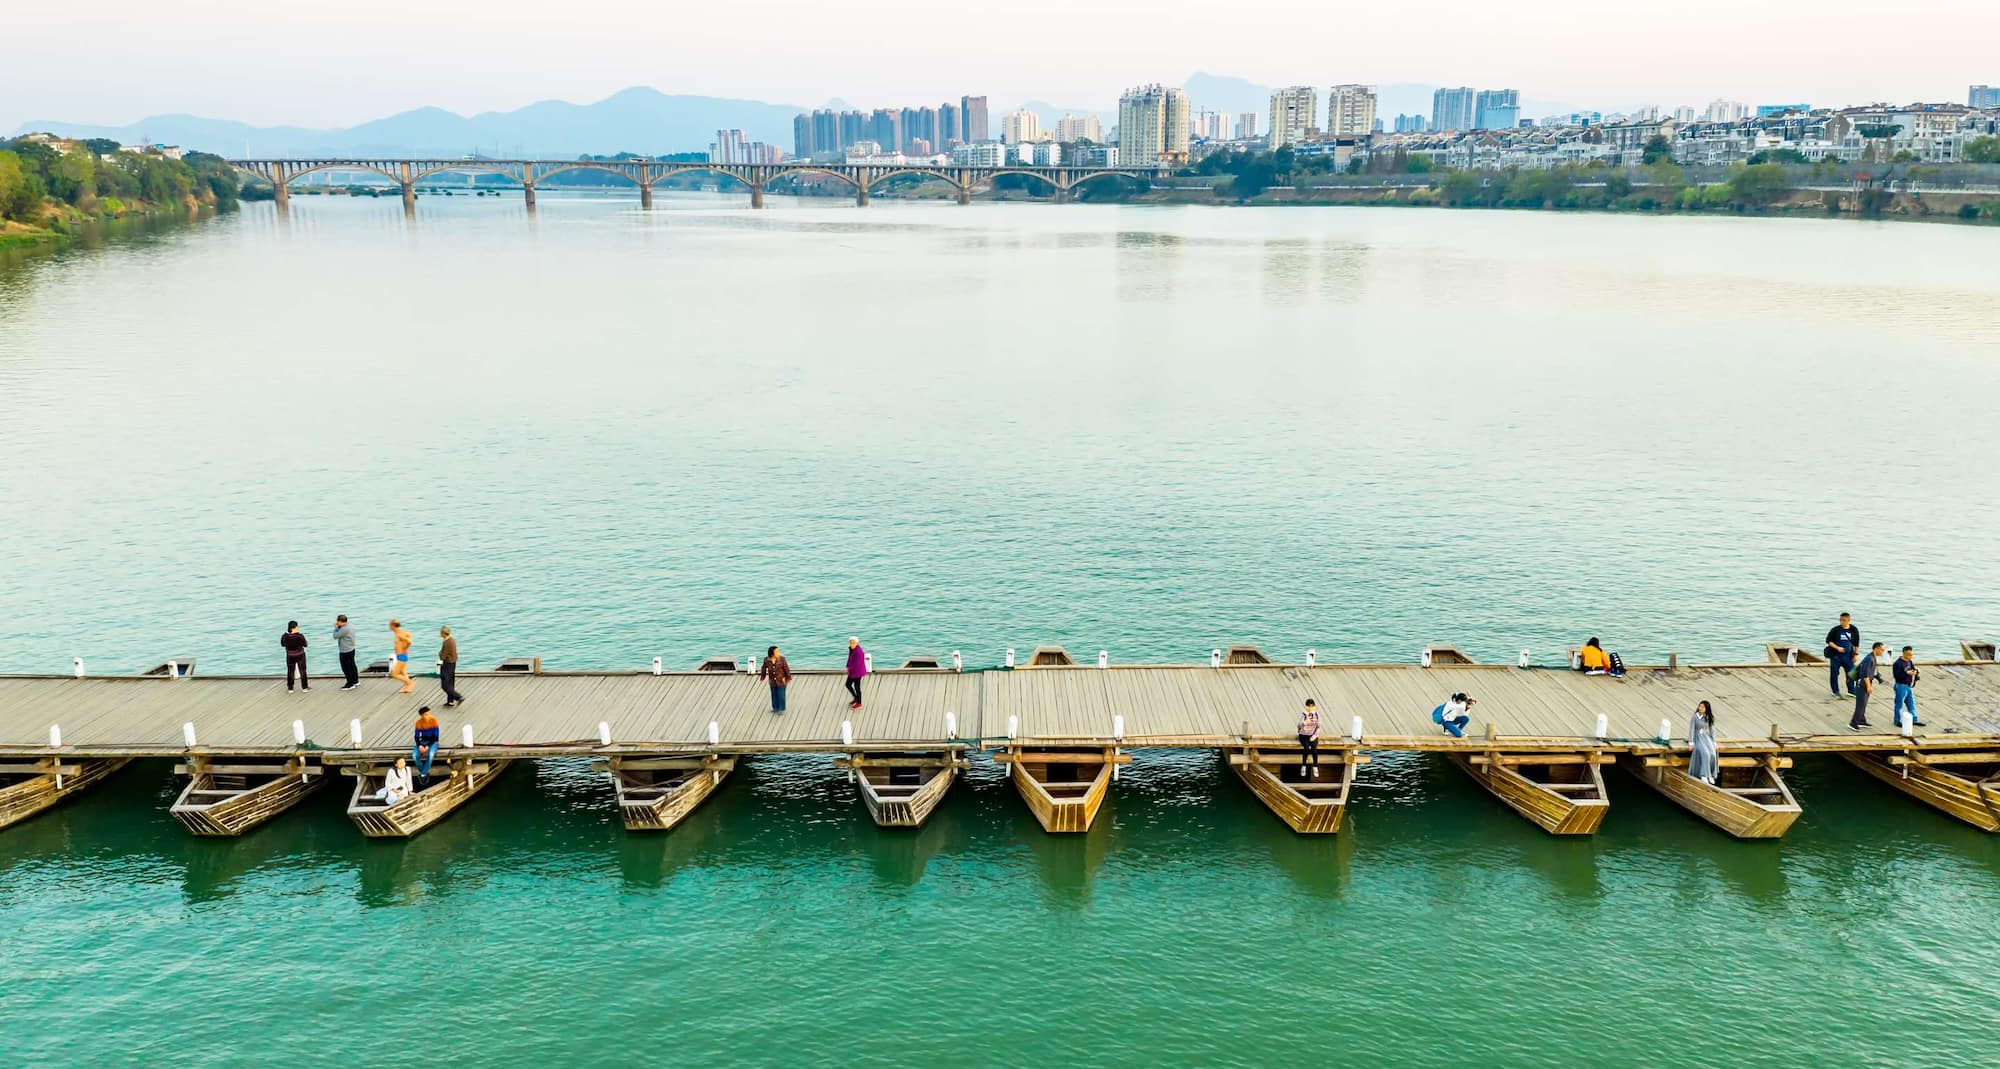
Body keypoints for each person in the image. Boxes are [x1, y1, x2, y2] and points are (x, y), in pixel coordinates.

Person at [1850, 641, 1885, 730]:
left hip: (1866, 682)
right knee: (1860, 704)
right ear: (1876, 648)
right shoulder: (1869, 658)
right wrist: (1868, 686)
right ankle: (1853, 723)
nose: (1883, 652)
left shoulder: (1873, 657)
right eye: (1882, 650)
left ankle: (1861, 720)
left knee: (1864, 703)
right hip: (1862, 684)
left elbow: (1872, 671)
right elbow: (1864, 674)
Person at [1824, 613, 1860, 699]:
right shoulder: (1836, 630)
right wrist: (1837, 648)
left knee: (1851, 674)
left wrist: (1855, 655)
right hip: (1836, 656)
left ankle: (1851, 691)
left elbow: (1856, 644)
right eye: (1840, 620)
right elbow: (1828, 641)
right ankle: (1835, 691)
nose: (1841, 622)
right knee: (1834, 674)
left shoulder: (1853, 629)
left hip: (1848, 657)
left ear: (1848, 620)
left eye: (1843, 620)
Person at [1687, 700, 1719, 784]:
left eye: (1702, 707)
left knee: (1712, 753)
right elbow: (1691, 729)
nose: (1700, 708)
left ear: (1706, 709)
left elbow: (1712, 730)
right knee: (1705, 753)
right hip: (1698, 737)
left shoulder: (1708, 717)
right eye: (1699, 706)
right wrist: (1691, 742)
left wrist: (1714, 742)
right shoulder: (1695, 716)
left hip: (1707, 737)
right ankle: (1704, 774)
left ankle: (1710, 774)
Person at [1892, 645, 1924, 728]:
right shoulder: (1898, 663)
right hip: (1901, 686)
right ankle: (1897, 720)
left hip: (1909, 686)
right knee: (1899, 704)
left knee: (1911, 703)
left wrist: (1916, 673)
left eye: (1911, 655)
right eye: (1908, 655)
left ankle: (1914, 719)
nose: (1910, 656)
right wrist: (1907, 674)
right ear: (1904, 653)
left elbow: (1913, 669)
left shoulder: (1910, 661)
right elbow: (1897, 676)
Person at [412, 705, 442, 786]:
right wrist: (420, 745)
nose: (428, 716)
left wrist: (428, 746)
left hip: (433, 742)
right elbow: (416, 736)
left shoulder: (434, 720)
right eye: (426, 714)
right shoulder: (418, 723)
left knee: (431, 755)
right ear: (421, 715)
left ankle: (422, 774)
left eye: (429, 714)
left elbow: (436, 737)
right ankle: (424, 773)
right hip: (422, 742)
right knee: (415, 756)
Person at [759, 645, 792, 714]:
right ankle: (775, 707)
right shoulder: (766, 660)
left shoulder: (782, 659)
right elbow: (763, 669)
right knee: (774, 694)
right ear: (772, 654)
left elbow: (786, 669)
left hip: (781, 680)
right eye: (776, 652)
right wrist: (762, 677)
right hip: (772, 681)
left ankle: (781, 708)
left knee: (781, 695)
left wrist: (788, 678)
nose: (778, 653)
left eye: (778, 651)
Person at [438, 626, 463, 708]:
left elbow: (442, 656)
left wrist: (440, 655)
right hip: (453, 662)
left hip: (447, 664)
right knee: (450, 682)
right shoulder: (452, 640)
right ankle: (450, 701)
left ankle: (458, 697)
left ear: (443, 633)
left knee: (445, 684)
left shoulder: (446, 642)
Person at [280, 620, 309, 691]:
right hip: (300, 655)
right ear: (295, 627)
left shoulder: (284, 636)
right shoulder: (300, 636)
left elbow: (282, 644)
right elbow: (305, 644)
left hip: (290, 655)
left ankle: (290, 688)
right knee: (303, 670)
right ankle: (304, 687)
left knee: (290, 671)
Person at [333, 614, 359, 689]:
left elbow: (335, 636)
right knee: (352, 665)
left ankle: (350, 684)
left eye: (338, 622)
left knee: (346, 667)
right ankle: (355, 681)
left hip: (345, 650)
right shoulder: (350, 625)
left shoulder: (344, 629)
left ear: (341, 622)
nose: (337, 623)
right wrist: (339, 627)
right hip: (351, 648)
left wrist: (336, 628)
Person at [389, 618, 414, 695]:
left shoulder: (399, 634)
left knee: (394, 674)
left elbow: (409, 641)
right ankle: (408, 688)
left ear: (393, 626)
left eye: (390, 625)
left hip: (402, 656)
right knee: (403, 673)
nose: (389, 627)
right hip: (401, 655)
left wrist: (405, 647)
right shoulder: (400, 632)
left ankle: (409, 683)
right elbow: (409, 635)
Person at [1297, 699, 1321, 777]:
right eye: (1309, 706)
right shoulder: (1303, 715)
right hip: (1303, 735)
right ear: (1306, 707)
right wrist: (1304, 723)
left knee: (1314, 749)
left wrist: (1314, 736)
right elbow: (1299, 726)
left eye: (1312, 706)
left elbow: (1318, 727)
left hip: (1312, 735)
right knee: (1306, 748)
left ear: (1314, 707)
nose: (1310, 708)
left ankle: (1315, 766)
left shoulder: (1317, 715)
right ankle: (1304, 765)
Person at [845, 637, 868, 710]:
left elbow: (857, 664)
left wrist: (850, 669)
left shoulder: (858, 652)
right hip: (852, 671)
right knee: (848, 684)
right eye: (850, 642)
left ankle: (859, 703)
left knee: (857, 687)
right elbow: (850, 658)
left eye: (853, 642)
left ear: (857, 643)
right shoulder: (852, 649)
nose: (851, 644)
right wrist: (848, 666)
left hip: (857, 672)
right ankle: (856, 698)